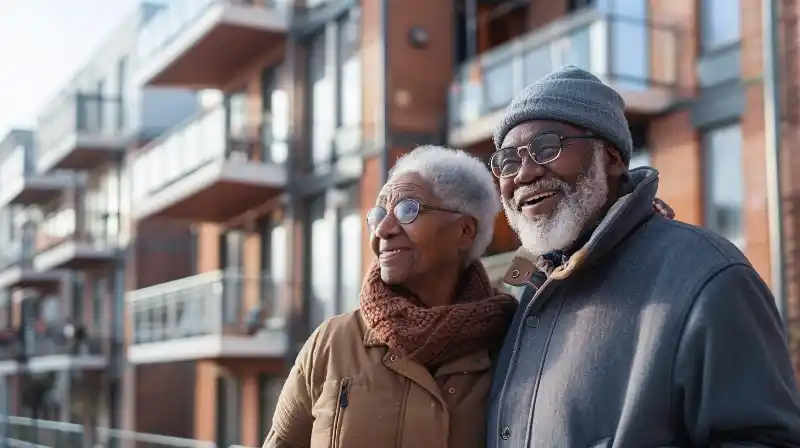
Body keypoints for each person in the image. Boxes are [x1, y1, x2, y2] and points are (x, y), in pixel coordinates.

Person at [486, 64, 800, 447]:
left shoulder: (707, 275)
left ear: (613, 157)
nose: (523, 174)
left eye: (547, 147)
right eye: (507, 161)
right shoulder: (523, 290)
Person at [264, 146, 518, 448]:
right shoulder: (331, 344)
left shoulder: (512, 345)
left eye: (407, 209)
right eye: (379, 214)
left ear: (464, 231)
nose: (383, 230)